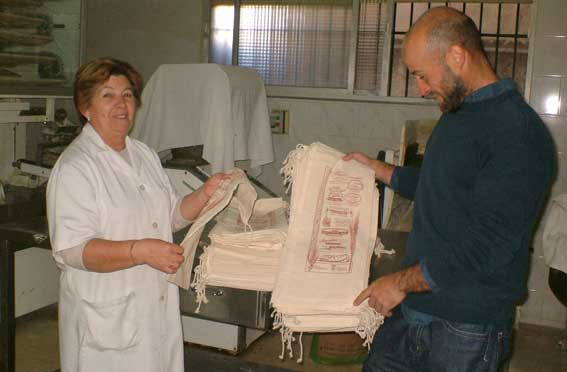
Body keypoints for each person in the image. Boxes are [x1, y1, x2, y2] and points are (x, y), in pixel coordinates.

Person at [344, 7, 556, 372]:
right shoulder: (458, 115)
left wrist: (400, 282)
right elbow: (440, 185)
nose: (422, 88)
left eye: (423, 76)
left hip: (465, 325)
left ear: (457, 56)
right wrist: (379, 170)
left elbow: (487, 247)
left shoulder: (517, 133)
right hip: (415, 309)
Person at [46, 58, 226, 372]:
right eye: (108, 95)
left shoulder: (143, 153)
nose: (121, 104)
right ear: (85, 107)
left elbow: (170, 215)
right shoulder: (76, 167)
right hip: (107, 313)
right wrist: (140, 251)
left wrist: (205, 194)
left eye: (127, 95)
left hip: (152, 303)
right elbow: (73, 251)